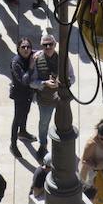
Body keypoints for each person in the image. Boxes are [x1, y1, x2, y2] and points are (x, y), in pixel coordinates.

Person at [31, 31, 74, 160]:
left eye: (50, 44)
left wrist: (62, 84)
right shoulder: (37, 59)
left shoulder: (64, 59)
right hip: (45, 99)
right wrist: (44, 83)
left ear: (55, 45)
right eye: (45, 45)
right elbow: (32, 82)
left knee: (65, 123)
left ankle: (64, 146)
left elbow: (72, 77)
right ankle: (43, 145)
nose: (48, 47)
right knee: (44, 123)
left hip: (62, 99)